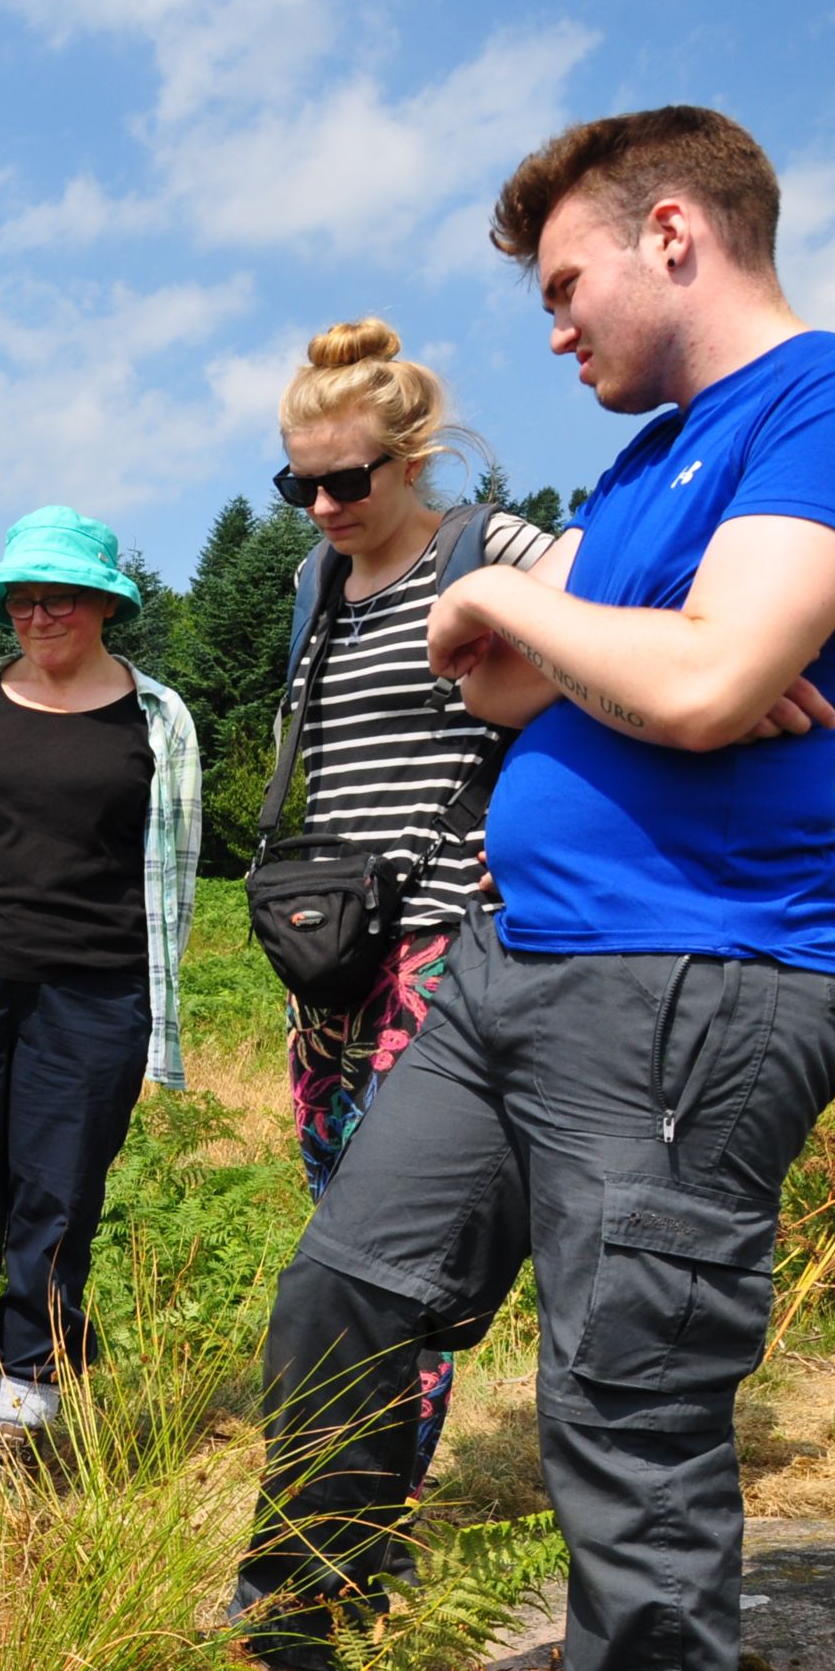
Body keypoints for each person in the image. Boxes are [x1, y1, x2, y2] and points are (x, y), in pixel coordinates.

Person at [224, 109, 835, 1671]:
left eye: (566, 286)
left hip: (691, 983)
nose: (553, 332)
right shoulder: (647, 470)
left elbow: (706, 683)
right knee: (342, 1292)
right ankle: (295, 1651)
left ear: (674, 228)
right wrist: (584, 641)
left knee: (622, 1436)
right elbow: (618, 673)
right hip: (509, 965)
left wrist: (529, 610)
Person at [269, 322, 558, 1496]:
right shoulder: (313, 579)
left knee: (396, 1249)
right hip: (330, 950)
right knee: (339, 1220)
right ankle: (352, 1476)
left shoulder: (485, 546)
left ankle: (359, 1508)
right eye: (301, 483)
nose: (326, 505)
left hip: (448, 935)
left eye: (349, 480)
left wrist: (538, 819)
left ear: (413, 457)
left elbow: (632, 619)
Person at [0, 507, 201, 1467]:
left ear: (105, 602)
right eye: (22, 597)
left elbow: (174, 876)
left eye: (60, 596)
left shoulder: (159, 717)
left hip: (96, 995)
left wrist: (155, 1013)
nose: (39, 613)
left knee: (58, 1198)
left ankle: (31, 1393)